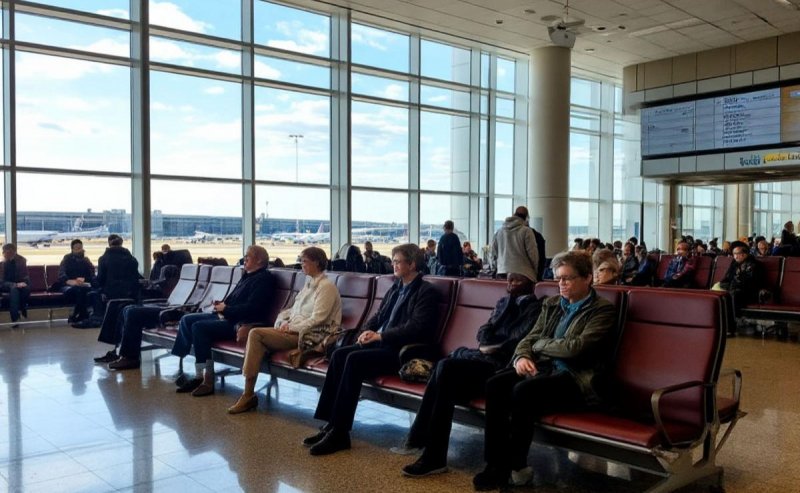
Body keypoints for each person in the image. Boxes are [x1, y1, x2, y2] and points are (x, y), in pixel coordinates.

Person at [472, 251, 616, 490]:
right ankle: (494, 464)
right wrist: (522, 356)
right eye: (558, 278)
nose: (561, 284)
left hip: (576, 379)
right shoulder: (552, 304)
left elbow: (574, 348)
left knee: (524, 391)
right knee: (495, 385)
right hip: (545, 369)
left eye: (568, 278)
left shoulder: (602, 310)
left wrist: (539, 346)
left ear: (587, 278)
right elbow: (530, 338)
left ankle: (516, 465)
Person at [399, 273, 542, 478]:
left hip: (502, 366)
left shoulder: (535, 308)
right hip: (483, 360)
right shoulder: (503, 302)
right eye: (509, 279)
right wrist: (488, 344)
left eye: (517, 280)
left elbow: (514, 341)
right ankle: (431, 454)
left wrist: (491, 344)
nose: (510, 284)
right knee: (444, 371)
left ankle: (427, 448)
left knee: (445, 368)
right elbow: (483, 332)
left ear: (531, 283)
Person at [304, 243, 439, 456]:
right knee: (339, 355)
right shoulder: (396, 287)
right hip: (381, 345)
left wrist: (381, 336)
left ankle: (340, 433)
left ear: (412, 264)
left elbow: (416, 327)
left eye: (398, 262)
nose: (393, 265)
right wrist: (365, 332)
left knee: (354, 360)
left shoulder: (426, 292)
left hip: (401, 351)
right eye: (393, 261)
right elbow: (379, 316)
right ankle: (331, 423)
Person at [228, 247, 342, 414]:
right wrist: (281, 321)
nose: (301, 264)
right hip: (294, 331)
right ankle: (248, 393)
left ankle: (248, 394)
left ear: (317, 263)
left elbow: (319, 319)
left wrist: (291, 327)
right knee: (257, 339)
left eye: (305, 261)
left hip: (308, 335)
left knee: (255, 334)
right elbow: (292, 310)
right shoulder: (309, 284)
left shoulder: (326, 288)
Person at [169, 245, 275, 396]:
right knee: (186, 319)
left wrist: (226, 309)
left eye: (248, 257)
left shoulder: (264, 279)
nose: (244, 259)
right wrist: (222, 305)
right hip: (228, 315)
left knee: (199, 328)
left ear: (259, 260)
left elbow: (253, 308)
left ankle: (205, 378)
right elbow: (234, 300)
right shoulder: (247, 276)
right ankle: (185, 357)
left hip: (241, 322)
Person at [74, 234, 141, 329]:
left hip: (112, 293)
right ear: (121, 244)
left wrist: (90, 281)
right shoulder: (132, 260)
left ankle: (96, 318)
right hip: (130, 293)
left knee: (93, 293)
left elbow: (100, 280)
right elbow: (136, 277)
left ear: (109, 243)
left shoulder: (104, 259)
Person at [491, 207, 539, 282]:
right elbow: (533, 255)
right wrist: (535, 271)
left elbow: (493, 255)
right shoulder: (527, 231)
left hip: (502, 273)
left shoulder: (499, 232)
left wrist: (495, 269)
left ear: (514, 214)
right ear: (526, 218)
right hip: (523, 274)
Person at [719, 241, 765, 317]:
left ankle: (734, 319)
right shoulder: (734, 264)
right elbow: (726, 279)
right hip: (733, 290)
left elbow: (751, 283)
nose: (735, 257)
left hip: (749, 293)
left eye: (737, 254)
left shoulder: (755, 265)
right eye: (734, 254)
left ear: (745, 254)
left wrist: (733, 285)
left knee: (734, 294)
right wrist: (728, 285)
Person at [55, 239, 96, 323]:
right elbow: (61, 274)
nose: (79, 250)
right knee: (79, 291)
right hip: (68, 285)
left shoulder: (86, 260)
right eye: (77, 248)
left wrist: (85, 280)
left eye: (80, 248)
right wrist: (69, 281)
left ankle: (78, 315)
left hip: (83, 285)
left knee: (86, 290)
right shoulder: (67, 259)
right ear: (72, 249)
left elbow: (92, 274)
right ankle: (82, 315)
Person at [0, 243, 30, 325]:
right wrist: (14, 284)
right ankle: (15, 317)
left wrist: (23, 282)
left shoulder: (20, 261)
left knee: (25, 289)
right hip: (5, 284)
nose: (3, 253)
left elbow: (25, 275)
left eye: (5, 252)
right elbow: (1, 280)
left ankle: (22, 310)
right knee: (14, 289)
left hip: (18, 283)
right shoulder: (2, 263)